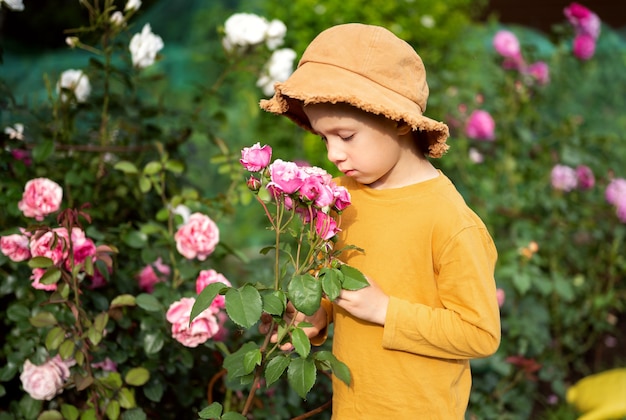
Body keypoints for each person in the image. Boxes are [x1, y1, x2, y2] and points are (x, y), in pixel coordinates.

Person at [259, 23, 501, 419]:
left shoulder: (450, 221)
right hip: (352, 405)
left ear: (399, 121)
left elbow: (480, 333)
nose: (334, 154)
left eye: (346, 136)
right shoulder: (339, 197)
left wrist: (387, 310)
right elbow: (330, 282)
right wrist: (314, 315)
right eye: (324, 139)